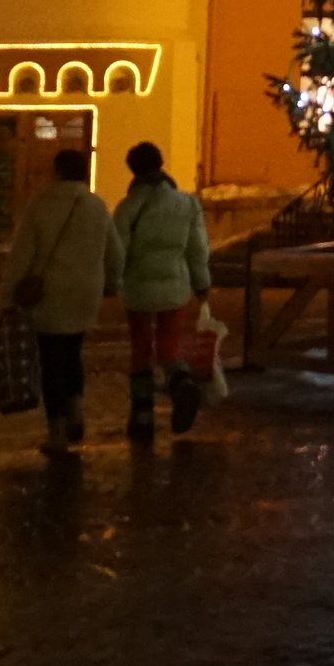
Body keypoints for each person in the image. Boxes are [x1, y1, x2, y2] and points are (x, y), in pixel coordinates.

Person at [3, 148, 113, 456]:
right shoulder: (97, 206)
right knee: (72, 352)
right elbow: (113, 249)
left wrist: (8, 294)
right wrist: (113, 282)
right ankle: (75, 406)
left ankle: (58, 432)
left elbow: (21, 255)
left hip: (49, 294)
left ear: (58, 171)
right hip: (85, 291)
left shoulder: (40, 206)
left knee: (51, 361)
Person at [109, 141, 214, 444]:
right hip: (175, 284)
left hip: (138, 286)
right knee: (168, 345)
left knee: (141, 347)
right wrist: (202, 283)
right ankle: (182, 384)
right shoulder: (187, 204)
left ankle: (142, 414)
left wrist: (113, 281)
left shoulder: (129, 207)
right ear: (161, 163)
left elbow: (118, 251)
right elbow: (197, 249)